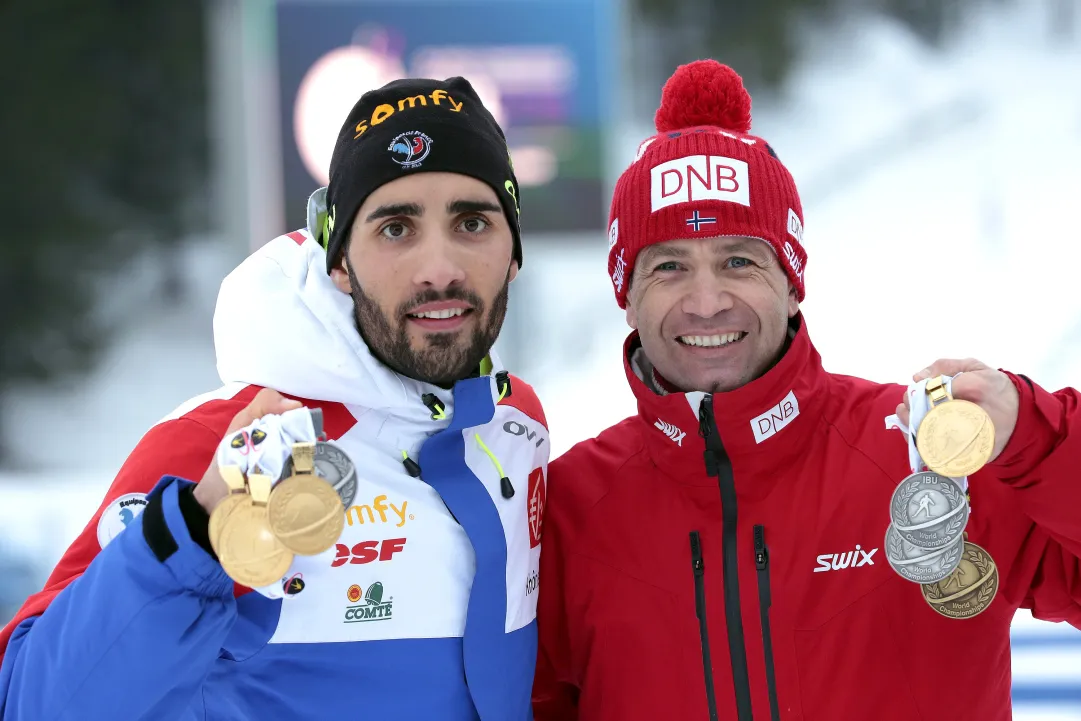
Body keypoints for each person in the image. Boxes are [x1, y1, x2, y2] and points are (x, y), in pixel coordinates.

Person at [532, 59, 1081, 721]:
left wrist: (1038, 439)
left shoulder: (931, 455)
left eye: (739, 259)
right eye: (668, 267)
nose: (706, 301)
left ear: (792, 282)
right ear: (626, 297)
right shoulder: (567, 513)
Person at [0, 76, 549, 721]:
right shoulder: (224, 439)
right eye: (396, 228)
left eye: (472, 222)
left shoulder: (515, 428)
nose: (440, 267)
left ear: (514, 250)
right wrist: (197, 528)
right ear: (339, 260)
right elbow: (33, 702)